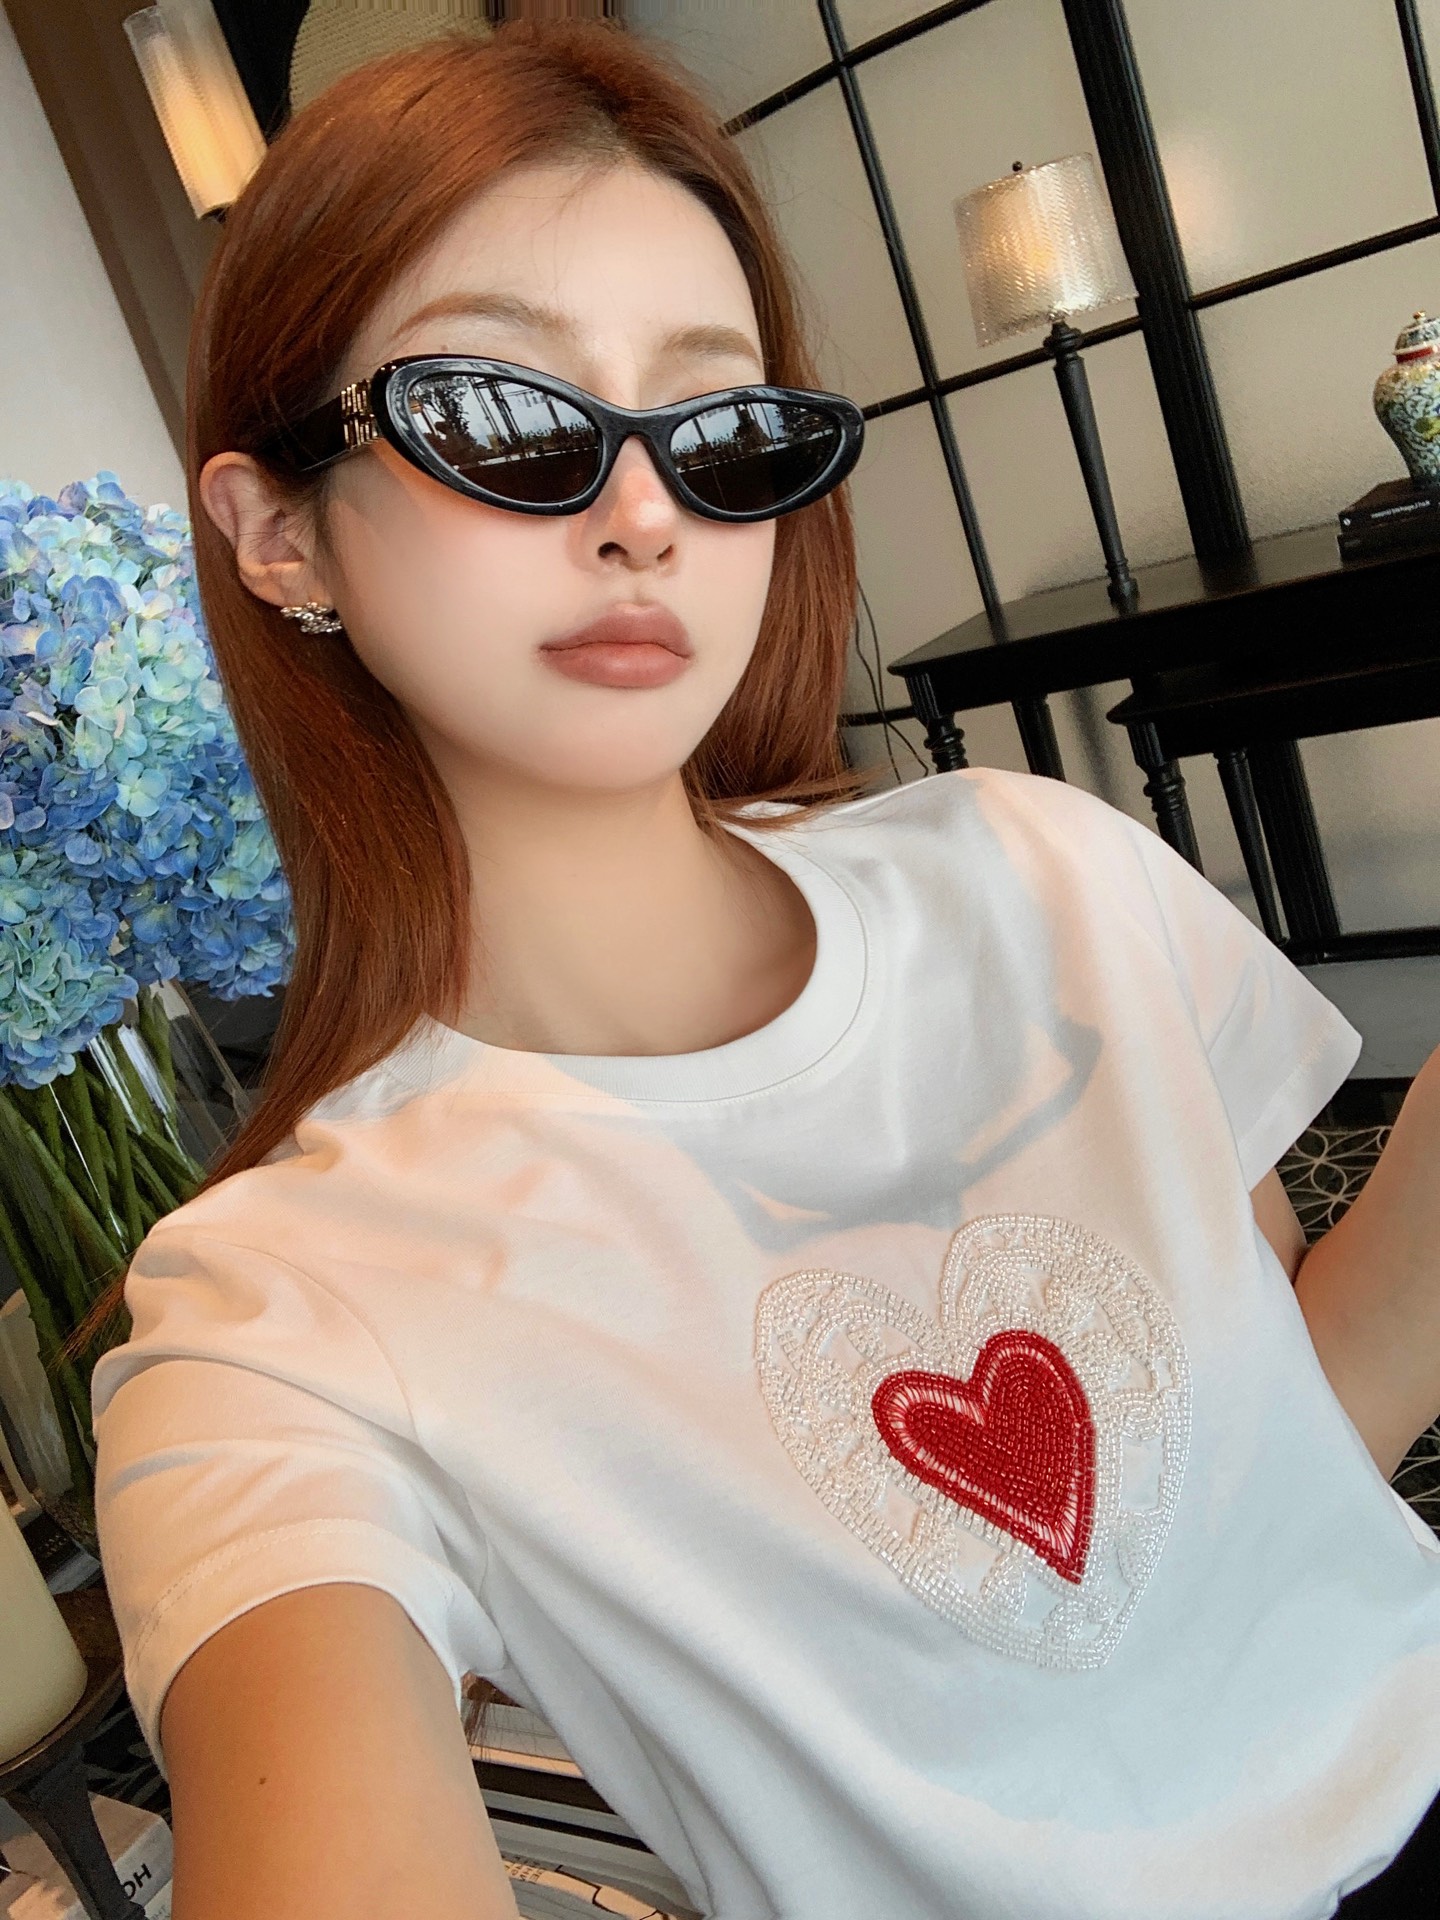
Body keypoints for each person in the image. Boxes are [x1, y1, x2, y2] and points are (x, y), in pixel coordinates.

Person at [78, 20, 1440, 1920]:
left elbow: (1293, 1438)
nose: (643, 515)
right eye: (503, 415)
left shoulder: (1034, 874)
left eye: (715, 430)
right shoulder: (284, 1318)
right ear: (280, 533)